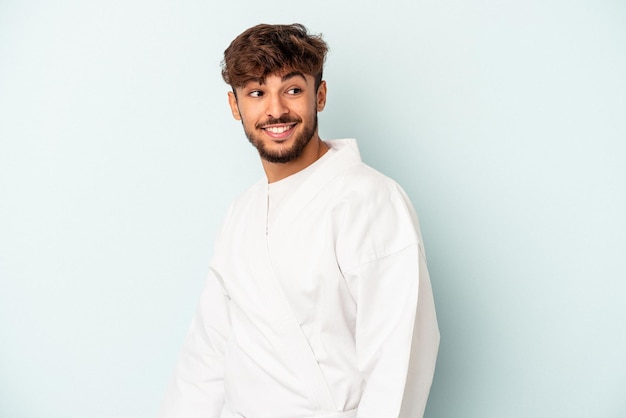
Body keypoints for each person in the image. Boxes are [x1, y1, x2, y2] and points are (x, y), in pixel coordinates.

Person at [160, 23, 440, 418]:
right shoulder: (242, 214)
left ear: (319, 95)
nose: (276, 110)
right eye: (257, 93)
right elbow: (206, 356)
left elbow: (400, 359)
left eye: (292, 89)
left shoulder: (370, 200)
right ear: (235, 105)